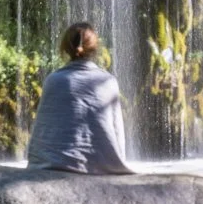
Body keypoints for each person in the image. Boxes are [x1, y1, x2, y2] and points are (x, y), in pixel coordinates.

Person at [26, 22, 136, 174]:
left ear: (65, 48)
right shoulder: (108, 82)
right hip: (98, 167)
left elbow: (41, 132)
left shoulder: (52, 81)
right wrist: (118, 164)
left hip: (51, 165)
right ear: (95, 48)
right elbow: (117, 133)